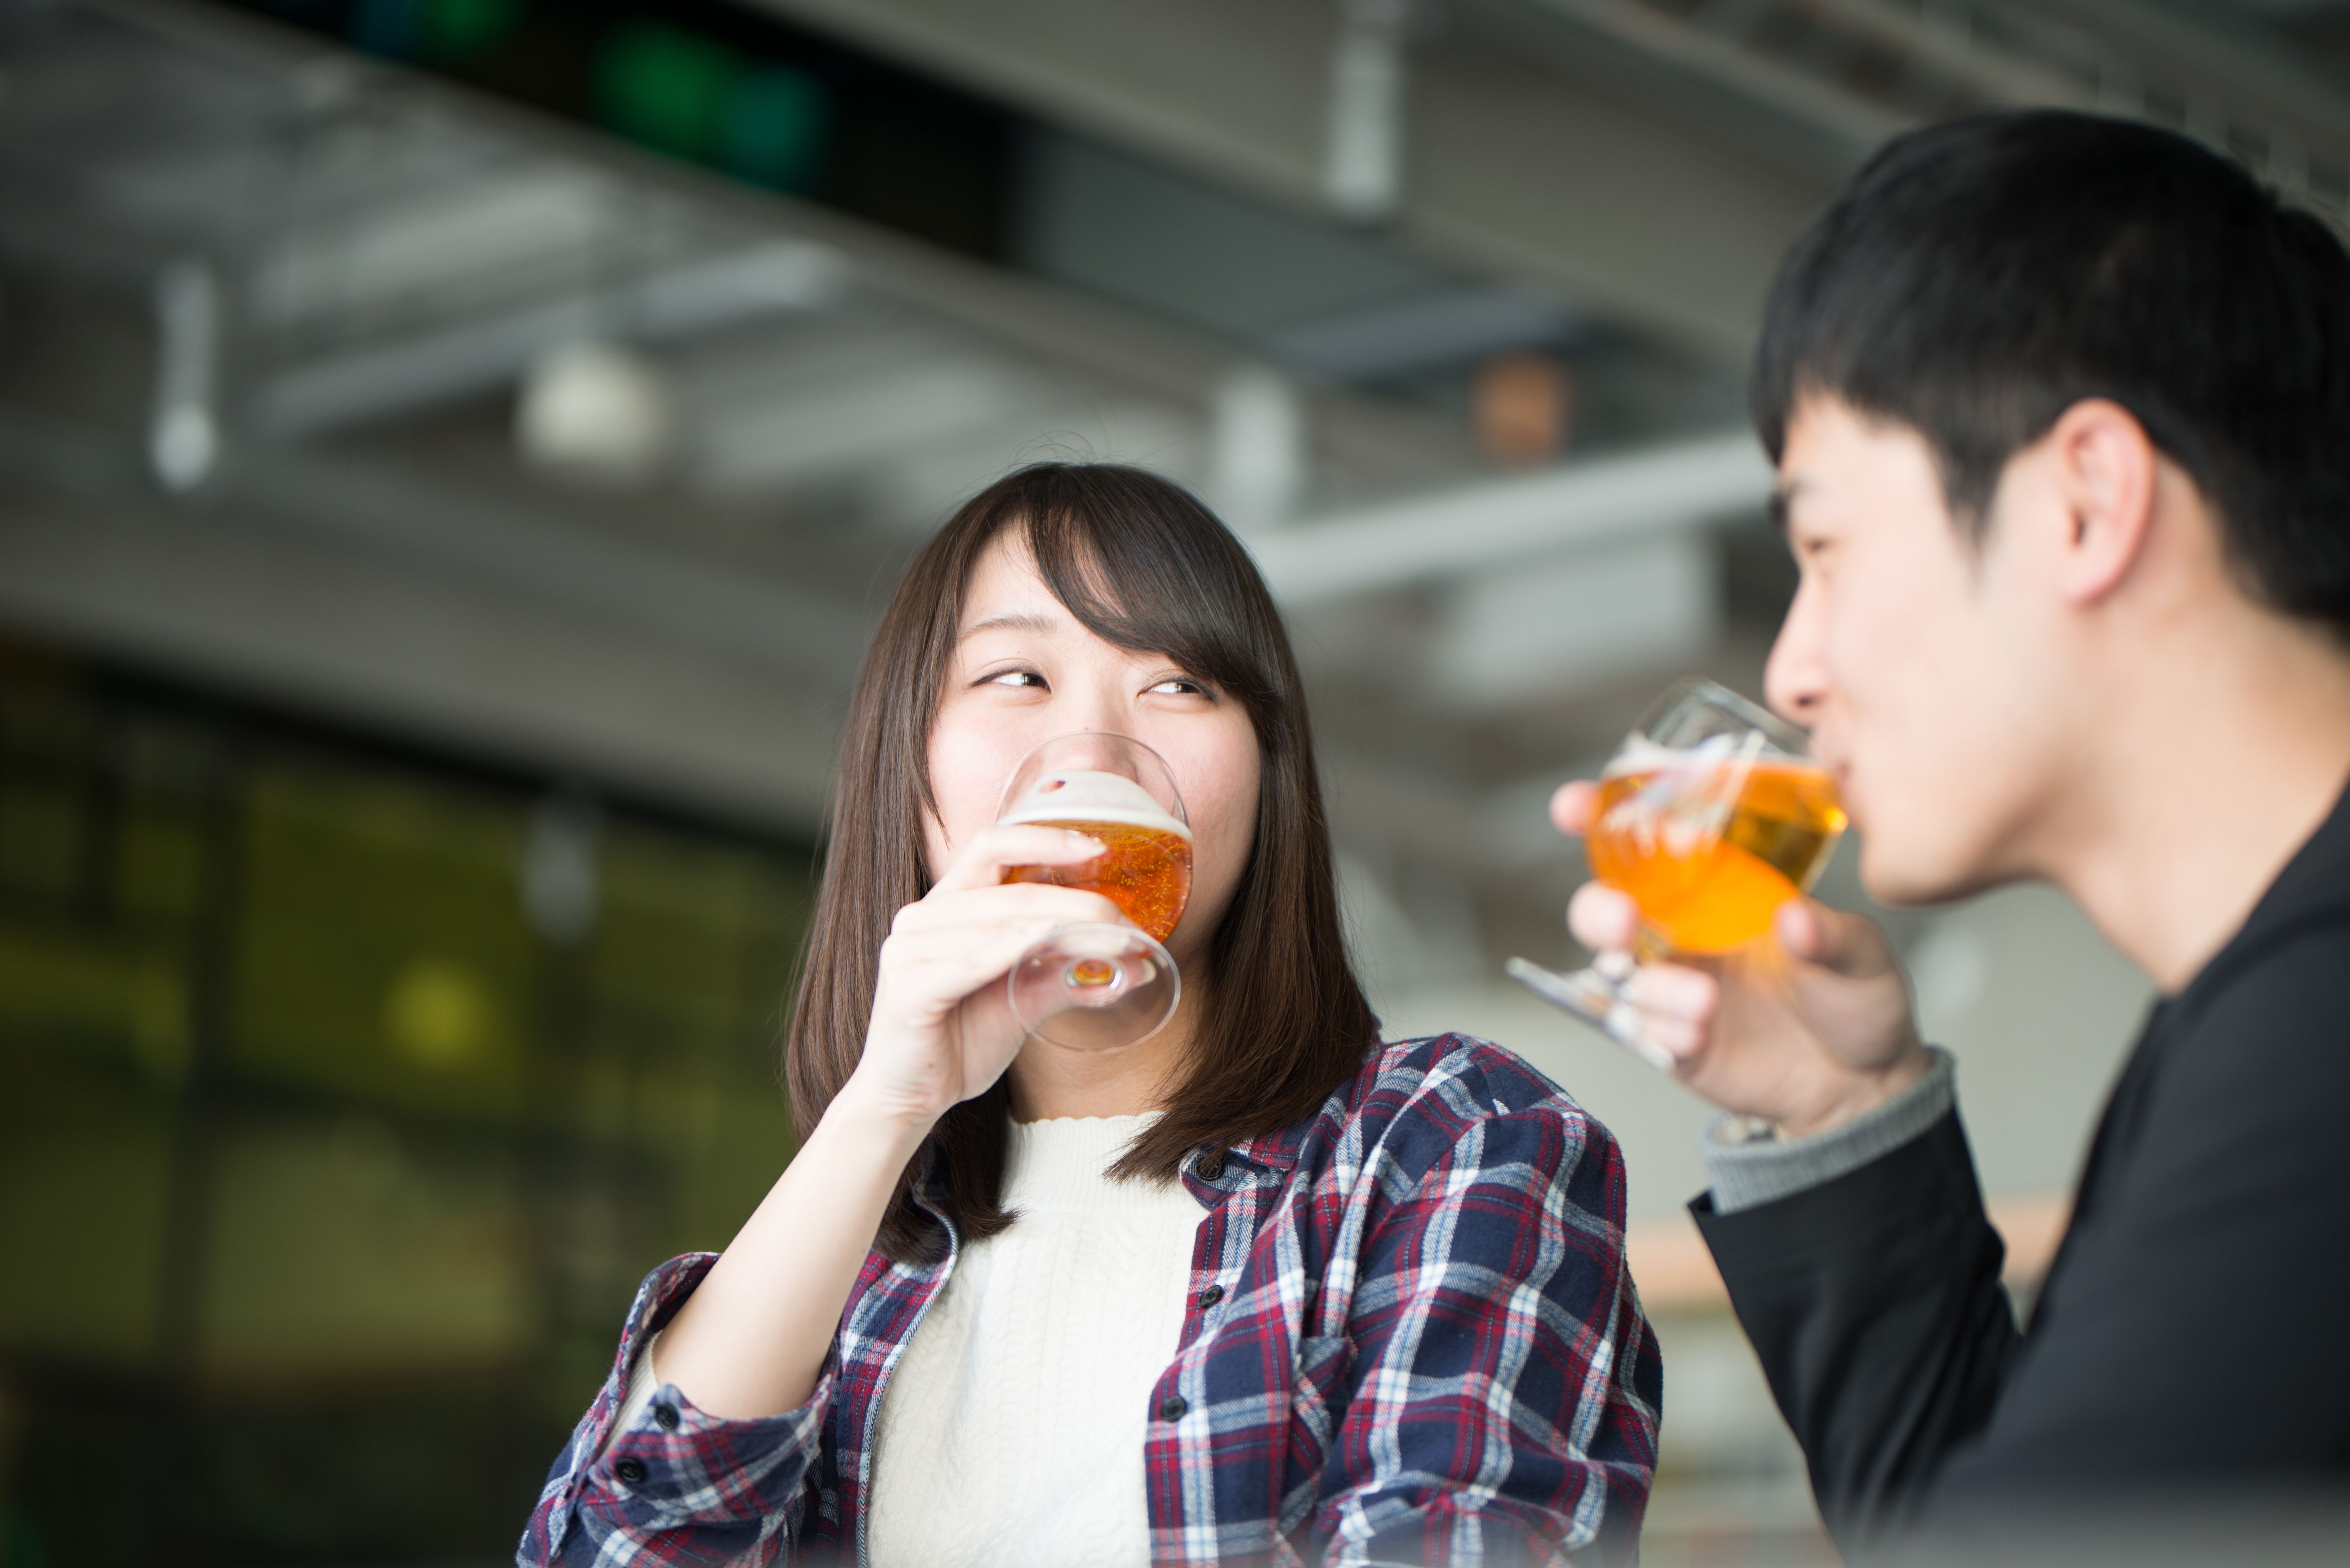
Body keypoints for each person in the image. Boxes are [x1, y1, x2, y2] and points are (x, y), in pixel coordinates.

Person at [519, 463, 1662, 1567]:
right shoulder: (846, 1259)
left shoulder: (1448, 1139)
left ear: (1267, 780)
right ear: (910, 773)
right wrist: (882, 1110)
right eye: (1018, 677)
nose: (1100, 752)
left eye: (1179, 686)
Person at [1551, 110, 2350, 1558]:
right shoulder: (2255, 1013)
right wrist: (1836, 1113)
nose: (1793, 668)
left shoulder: (2317, 1030)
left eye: (1825, 547)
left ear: (2086, 503)